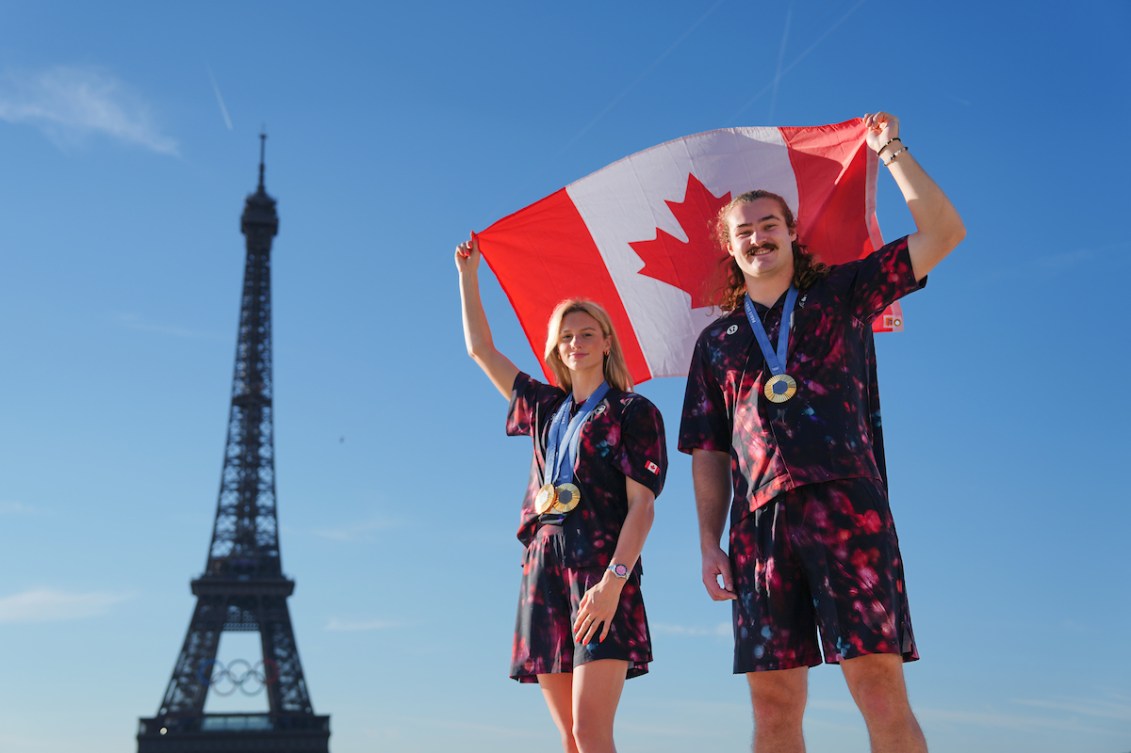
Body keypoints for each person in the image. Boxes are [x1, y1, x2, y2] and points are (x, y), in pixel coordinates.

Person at [678, 111, 965, 753]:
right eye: (744, 232)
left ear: (790, 233)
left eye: (769, 225)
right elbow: (708, 451)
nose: (758, 239)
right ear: (730, 248)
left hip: (847, 508)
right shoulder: (716, 342)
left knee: (878, 687)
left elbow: (944, 232)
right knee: (774, 705)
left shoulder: (843, 291)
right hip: (757, 527)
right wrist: (707, 541)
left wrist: (889, 150)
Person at [455, 234, 667, 753]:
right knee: (570, 739)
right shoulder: (544, 409)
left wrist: (613, 583)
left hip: (601, 571)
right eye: (567, 336)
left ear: (606, 342)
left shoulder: (633, 411)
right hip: (543, 567)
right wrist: (468, 275)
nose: (577, 343)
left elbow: (643, 506)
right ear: (557, 347)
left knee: (593, 733)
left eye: (588, 334)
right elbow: (480, 349)